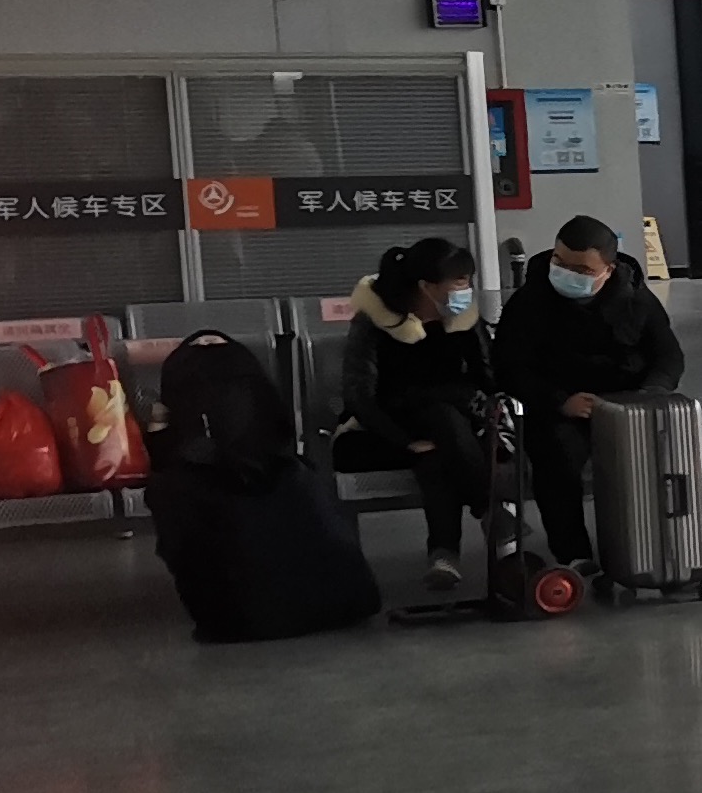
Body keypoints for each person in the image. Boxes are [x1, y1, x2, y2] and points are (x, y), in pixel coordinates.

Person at [144, 330, 382, 642]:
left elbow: (166, 463)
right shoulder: (298, 472)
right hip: (345, 606)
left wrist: (158, 432)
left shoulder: (179, 486)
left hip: (244, 623)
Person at [490, 214, 684, 569]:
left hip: (630, 406)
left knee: (676, 451)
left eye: (581, 270)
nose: (566, 273)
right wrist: (559, 402)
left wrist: (647, 395)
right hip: (562, 409)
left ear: (608, 270)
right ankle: (575, 555)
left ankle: (695, 548)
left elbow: (668, 356)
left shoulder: (635, 300)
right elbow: (509, 367)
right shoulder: (529, 302)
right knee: (557, 456)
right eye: (560, 262)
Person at [331, 237, 491, 589]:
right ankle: (490, 512)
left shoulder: (463, 320)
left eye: (467, 282)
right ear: (426, 286)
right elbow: (359, 398)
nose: (465, 292)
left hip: (452, 429)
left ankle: (444, 556)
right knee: (439, 430)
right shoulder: (375, 323)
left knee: (437, 448)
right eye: (458, 283)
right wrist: (405, 441)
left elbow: (488, 377)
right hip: (382, 430)